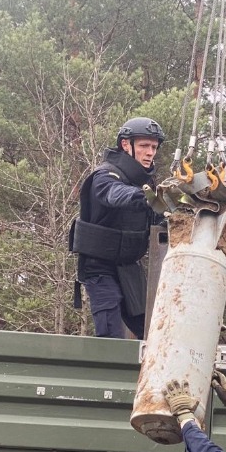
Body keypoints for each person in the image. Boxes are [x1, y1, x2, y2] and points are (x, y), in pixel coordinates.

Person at [70, 117, 165, 339]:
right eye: (143, 146)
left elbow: (157, 219)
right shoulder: (104, 176)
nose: (150, 152)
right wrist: (147, 197)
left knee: (153, 334)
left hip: (129, 268)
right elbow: (114, 194)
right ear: (125, 145)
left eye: (153, 147)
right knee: (111, 336)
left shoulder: (143, 184)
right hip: (99, 269)